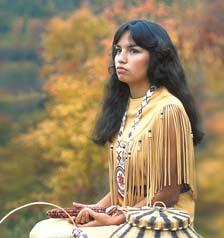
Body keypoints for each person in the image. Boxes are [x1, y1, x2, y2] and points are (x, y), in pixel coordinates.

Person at [30, 19, 203, 238]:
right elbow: (124, 186)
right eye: (118, 50)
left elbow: (168, 194)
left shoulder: (168, 109)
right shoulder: (124, 107)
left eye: (134, 51)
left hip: (157, 222)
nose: (121, 58)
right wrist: (97, 209)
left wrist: (118, 217)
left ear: (156, 58)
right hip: (124, 215)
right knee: (44, 229)